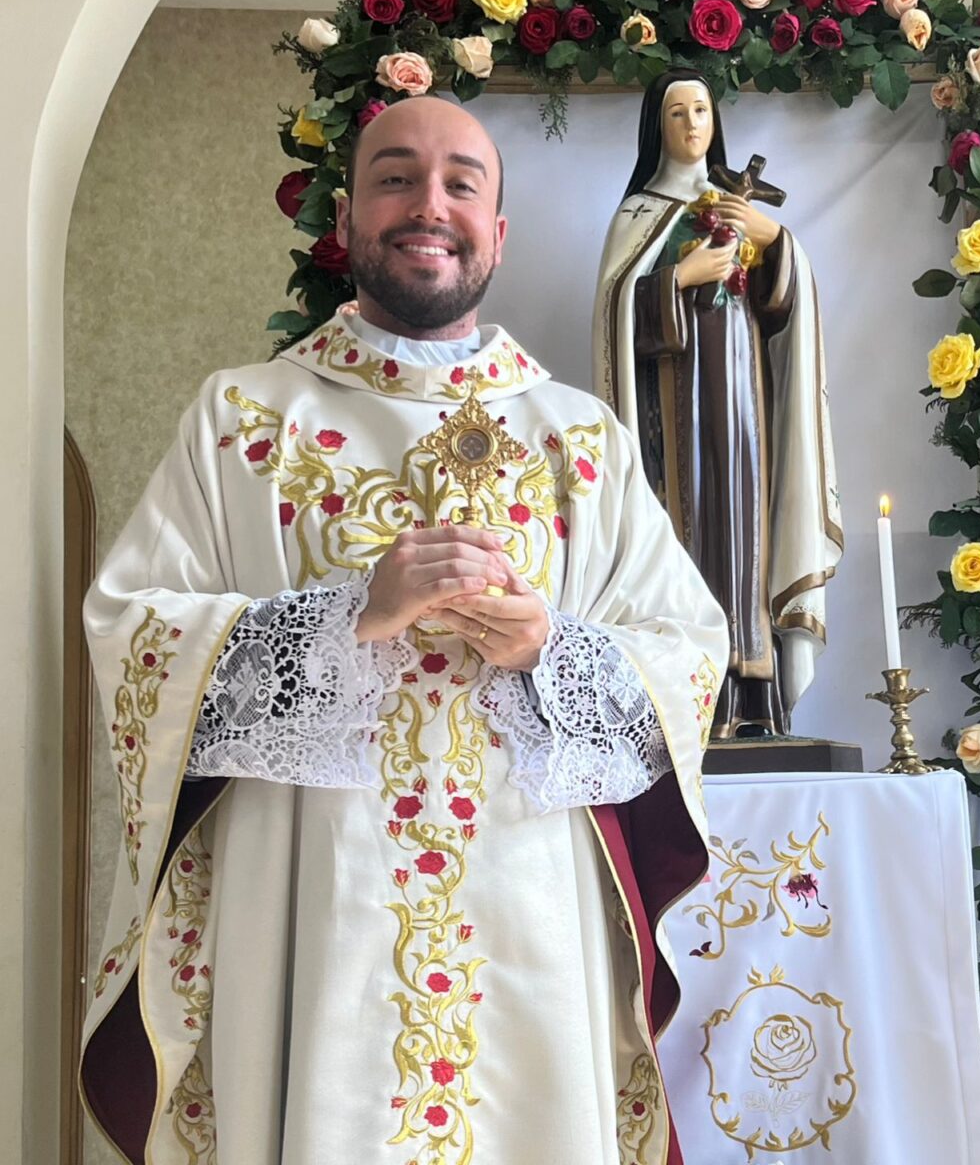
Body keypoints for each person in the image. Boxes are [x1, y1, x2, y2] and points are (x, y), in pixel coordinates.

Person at [80, 95, 727, 1165]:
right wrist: (347, 621)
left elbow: (688, 655)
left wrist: (549, 648)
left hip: (532, 913)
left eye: (462, 182)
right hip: (309, 910)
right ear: (345, 216)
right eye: (394, 175)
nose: (429, 204)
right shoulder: (243, 418)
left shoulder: (580, 435)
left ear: (498, 231)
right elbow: (135, 635)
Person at [592, 68, 843, 739]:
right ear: (656, 127)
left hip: (744, 401)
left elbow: (787, 307)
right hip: (669, 419)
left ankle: (754, 693)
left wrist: (772, 241)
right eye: (675, 112)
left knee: (746, 528)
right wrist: (678, 277)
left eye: (700, 108)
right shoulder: (638, 213)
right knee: (689, 531)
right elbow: (616, 316)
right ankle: (694, 692)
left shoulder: (739, 204)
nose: (690, 123)